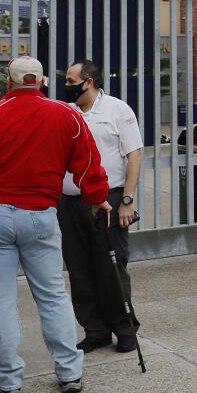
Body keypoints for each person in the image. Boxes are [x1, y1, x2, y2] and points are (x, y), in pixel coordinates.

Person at [0, 56, 109, 393]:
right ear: (42, 82)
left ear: (9, 81)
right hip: (42, 215)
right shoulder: (67, 116)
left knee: (0, 298)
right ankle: (69, 371)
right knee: (52, 295)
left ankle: (8, 381)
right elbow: (88, 162)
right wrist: (97, 198)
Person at [57, 60, 143, 355]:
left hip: (110, 199)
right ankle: (95, 330)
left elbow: (134, 155)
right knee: (79, 268)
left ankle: (124, 327)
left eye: (71, 80)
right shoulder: (65, 112)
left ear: (89, 81)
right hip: (69, 202)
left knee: (111, 267)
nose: (66, 85)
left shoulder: (118, 110)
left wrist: (127, 201)